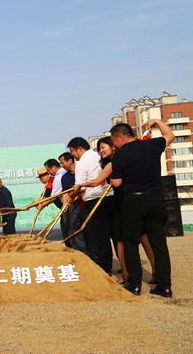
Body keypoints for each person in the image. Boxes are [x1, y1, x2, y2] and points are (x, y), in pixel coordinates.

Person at [73, 137, 156, 285]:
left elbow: (99, 182)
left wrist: (79, 187)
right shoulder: (129, 157)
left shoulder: (115, 161)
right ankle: (153, 274)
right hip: (138, 199)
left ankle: (128, 276)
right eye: (100, 149)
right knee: (138, 237)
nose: (101, 151)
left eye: (104, 148)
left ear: (114, 145)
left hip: (124, 202)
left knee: (122, 240)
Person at [110, 120, 174, 297]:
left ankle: (135, 285)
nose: (114, 145)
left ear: (121, 137)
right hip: (156, 199)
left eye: (114, 141)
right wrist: (158, 121)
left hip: (134, 201)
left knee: (130, 243)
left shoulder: (120, 157)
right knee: (159, 244)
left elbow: (116, 183)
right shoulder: (152, 145)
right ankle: (165, 286)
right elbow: (170, 135)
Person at [68, 136, 114, 275]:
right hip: (109, 197)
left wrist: (70, 196)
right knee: (108, 234)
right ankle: (110, 265)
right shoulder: (98, 155)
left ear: (80, 149)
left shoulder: (82, 162)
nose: (73, 155)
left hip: (94, 199)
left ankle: (103, 267)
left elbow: (80, 187)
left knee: (96, 236)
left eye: (73, 151)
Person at [58, 152, 87, 253]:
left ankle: (86, 252)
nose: (61, 166)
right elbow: (65, 194)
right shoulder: (65, 177)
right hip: (72, 205)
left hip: (84, 203)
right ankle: (77, 251)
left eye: (62, 163)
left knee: (83, 228)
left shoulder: (81, 171)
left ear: (70, 161)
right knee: (72, 227)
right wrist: (64, 206)